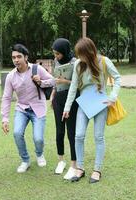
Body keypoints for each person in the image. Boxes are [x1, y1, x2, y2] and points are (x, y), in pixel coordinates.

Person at [62, 37, 121, 183]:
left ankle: (97, 170)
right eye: (78, 54)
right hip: (84, 104)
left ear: (90, 52)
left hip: (101, 103)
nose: (80, 57)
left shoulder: (104, 61)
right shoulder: (78, 64)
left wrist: (112, 97)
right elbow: (73, 86)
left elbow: (117, 78)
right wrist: (67, 107)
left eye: (82, 54)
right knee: (79, 135)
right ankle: (80, 168)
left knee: (98, 137)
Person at [1, 44, 55, 173]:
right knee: (17, 133)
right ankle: (25, 160)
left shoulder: (37, 69)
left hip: (38, 108)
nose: (16, 60)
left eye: (19, 57)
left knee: (38, 138)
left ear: (26, 57)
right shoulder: (11, 76)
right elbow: (7, 97)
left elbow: (53, 81)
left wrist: (41, 82)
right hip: (22, 109)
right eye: (14, 57)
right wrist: (5, 118)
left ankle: (39, 154)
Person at [50, 38, 79, 180]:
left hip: (72, 100)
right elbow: (55, 80)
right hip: (58, 99)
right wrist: (52, 95)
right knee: (59, 131)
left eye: (58, 54)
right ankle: (61, 160)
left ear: (65, 51)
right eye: (55, 54)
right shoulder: (55, 62)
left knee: (71, 132)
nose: (56, 57)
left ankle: (74, 163)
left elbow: (79, 84)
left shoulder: (75, 63)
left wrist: (65, 81)